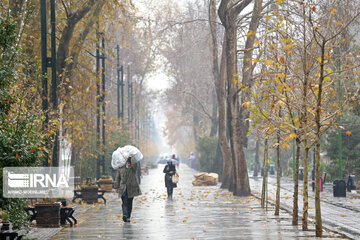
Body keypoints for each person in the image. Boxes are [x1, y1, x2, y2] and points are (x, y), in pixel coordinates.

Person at [115, 157, 141, 223]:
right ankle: (125, 215)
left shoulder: (133, 168)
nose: (128, 164)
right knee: (124, 202)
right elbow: (118, 178)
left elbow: (136, 165)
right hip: (123, 188)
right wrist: (116, 187)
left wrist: (132, 158)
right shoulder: (120, 168)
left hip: (131, 188)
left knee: (129, 203)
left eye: (129, 162)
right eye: (128, 162)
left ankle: (128, 216)